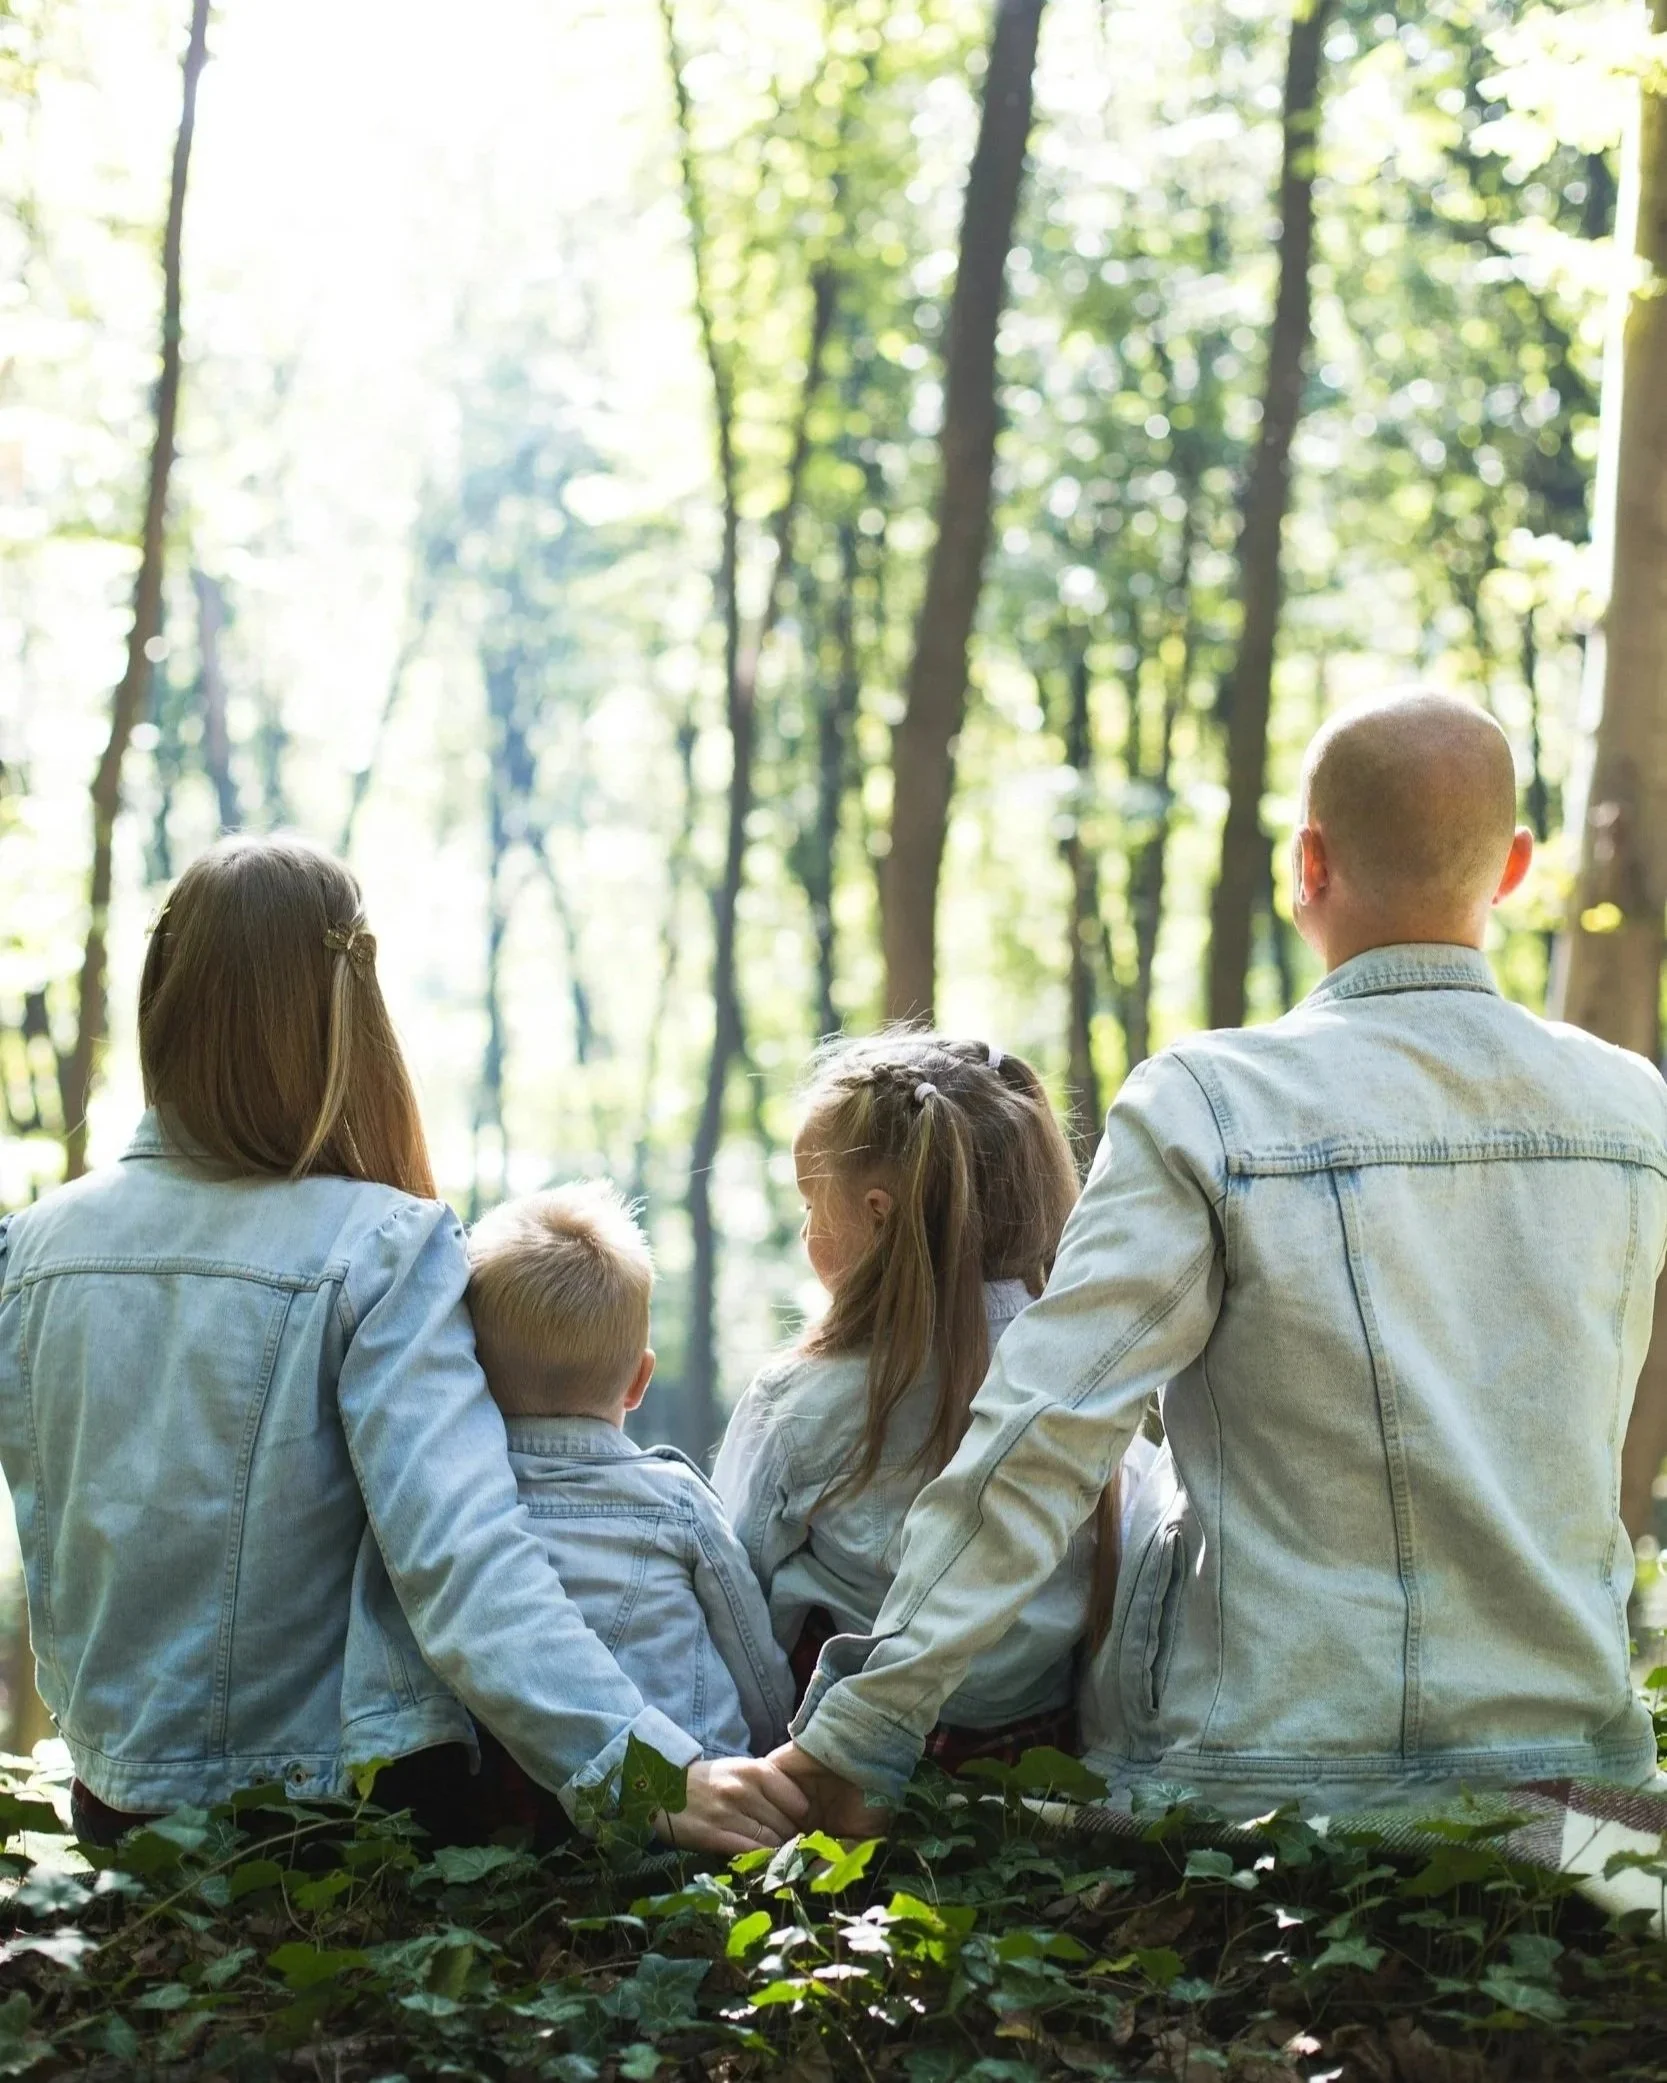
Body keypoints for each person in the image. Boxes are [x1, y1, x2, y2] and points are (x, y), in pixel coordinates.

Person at [775, 691, 1667, 1830]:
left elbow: (1043, 1429)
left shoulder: (1208, 1104)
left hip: (1258, 1776)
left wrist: (863, 1730)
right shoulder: (1630, 1109)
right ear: (1514, 870)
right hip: (1573, 1782)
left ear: (1307, 863)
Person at [0, 836, 805, 1853]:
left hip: (116, 1812)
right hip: (325, 1824)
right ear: (346, 1016)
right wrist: (648, 1773)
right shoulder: (381, 1246)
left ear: (163, 994)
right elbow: (463, 1561)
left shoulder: (27, 1249)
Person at [713, 1033, 1151, 1769]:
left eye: (810, 1203)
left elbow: (731, 1591)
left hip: (835, 1763)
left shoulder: (798, 1401)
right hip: (1037, 1756)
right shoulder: (1090, 1379)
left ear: (878, 1214)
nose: (803, 1229)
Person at [461, 1180, 792, 1767]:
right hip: (693, 1791)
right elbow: (754, 1664)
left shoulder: (458, 1505)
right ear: (640, 1381)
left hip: (518, 1806)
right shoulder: (676, 1502)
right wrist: (770, 1750)